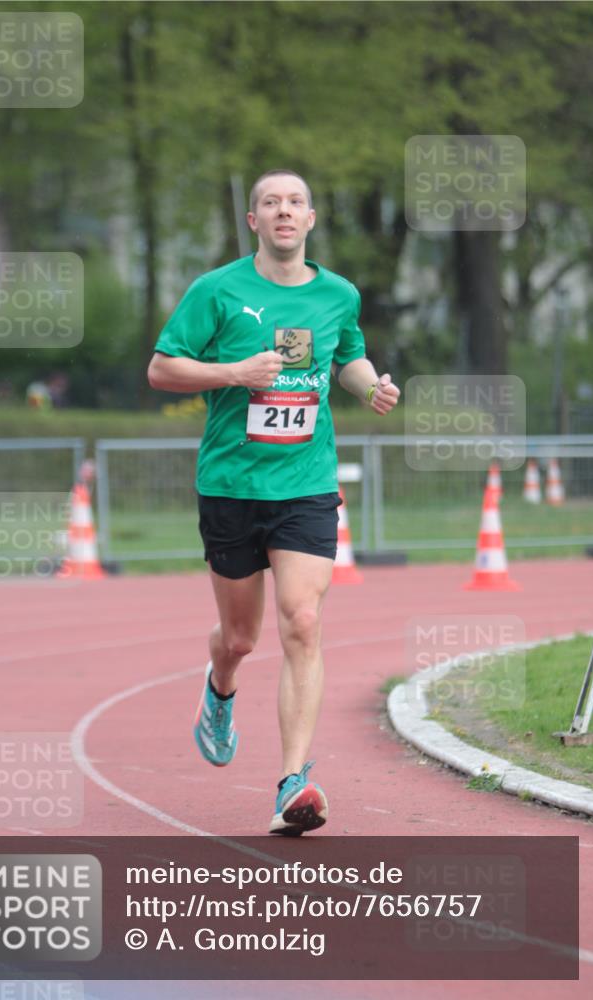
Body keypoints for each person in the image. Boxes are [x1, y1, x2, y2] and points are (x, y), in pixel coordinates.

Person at [148, 169, 400, 835]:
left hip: (306, 487)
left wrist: (369, 386)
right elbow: (161, 367)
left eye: (294, 203)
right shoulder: (218, 291)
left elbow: (347, 357)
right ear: (254, 220)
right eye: (270, 203)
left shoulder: (338, 294)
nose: (282, 212)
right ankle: (219, 688)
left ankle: (294, 781)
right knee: (239, 637)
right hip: (231, 487)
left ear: (310, 219)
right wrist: (232, 373)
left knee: (302, 621)